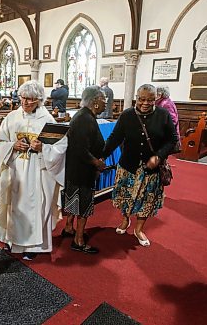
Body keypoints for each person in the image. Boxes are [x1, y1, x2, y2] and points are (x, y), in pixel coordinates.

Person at [0, 80, 66, 260]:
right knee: (13, 205)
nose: (25, 103)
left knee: (36, 206)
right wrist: (12, 145)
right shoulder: (12, 117)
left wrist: (43, 149)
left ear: (39, 100)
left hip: (38, 171)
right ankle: (12, 241)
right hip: (15, 169)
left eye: (30, 99)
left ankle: (34, 246)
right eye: (22, 98)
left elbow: (61, 146)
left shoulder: (47, 120)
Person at [103, 84, 178, 247]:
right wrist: (101, 156)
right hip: (128, 165)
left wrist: (159, 156)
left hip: (151, 168)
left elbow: (172, 139)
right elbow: (115, 138)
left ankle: (139, 229)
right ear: (136, 98)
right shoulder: (127, 115)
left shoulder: (163, 115)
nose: (145, 103)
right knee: (125, 197)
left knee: (146, 200)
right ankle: (125, 220)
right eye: (142, 99)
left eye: (150, 100)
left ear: (156, 99)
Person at [61, 86, 106, 254]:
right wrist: (97, 163)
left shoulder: (84, 116)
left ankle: (68, 228)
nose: (105, 103)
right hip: (82, 171)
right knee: (84, 206)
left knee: (74, 201)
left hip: (76, 170)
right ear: (94, 102)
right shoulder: (85, 119)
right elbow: (80, 149)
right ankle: (78, 240)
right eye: (103, 100)